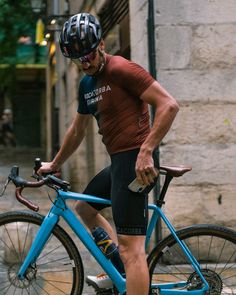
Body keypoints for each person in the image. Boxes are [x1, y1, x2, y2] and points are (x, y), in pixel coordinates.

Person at [38, 13, 179, 295]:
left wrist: (147, 150)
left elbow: (168, 105)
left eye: (88, 55)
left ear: (101, 44)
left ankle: (127, 268)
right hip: (119, 163)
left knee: (132, 249)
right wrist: (55, 164)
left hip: (137, 163)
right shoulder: (87, 85)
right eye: (77, 59)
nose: (84, 63)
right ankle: (117, 268)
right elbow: (77, 131)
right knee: (85, 209)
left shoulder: (121, 69)